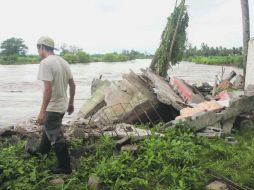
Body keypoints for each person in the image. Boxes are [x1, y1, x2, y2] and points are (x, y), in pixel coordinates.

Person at [36, 36, 76, 174]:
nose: (38, 52)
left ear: (41, 47)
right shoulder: (63, 61)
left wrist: (42, 111)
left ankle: (65, 167)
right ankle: (42, 151)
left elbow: (48, 89)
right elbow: (72, 84)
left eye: (38, 48)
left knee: (55, 135)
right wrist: (71, 103)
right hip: (62, 105)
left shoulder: (46, 63)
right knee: (49, 128)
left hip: (53, 107)